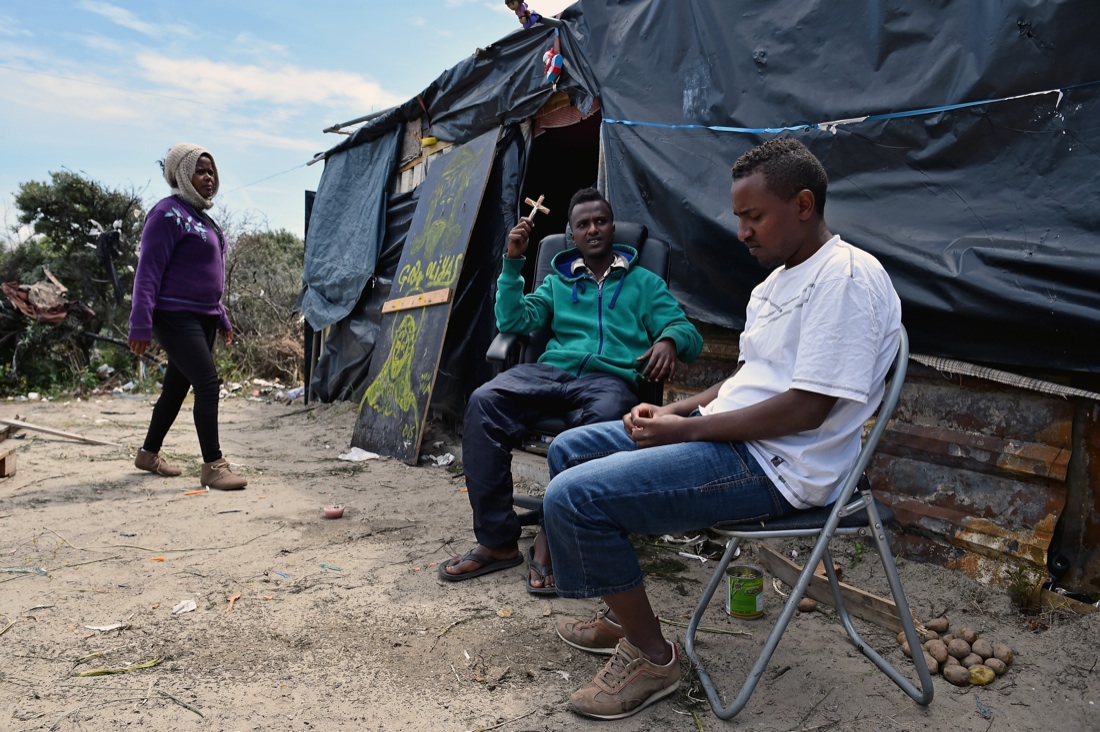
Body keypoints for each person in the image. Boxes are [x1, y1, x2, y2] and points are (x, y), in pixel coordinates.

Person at [541, 138, 903, 719]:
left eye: (753, 216)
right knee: (569, 449)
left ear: (804, 204)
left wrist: (685, 434)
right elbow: (748, 381)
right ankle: (622, 615)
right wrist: (675, 413)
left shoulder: (846, 277)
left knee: (573, 498)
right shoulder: (774, 283)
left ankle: (656, 659)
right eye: (739, 217)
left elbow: (805, 410)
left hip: (778, 466)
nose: (742, 232)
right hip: (731, 437)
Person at [439, 188, 702, 591]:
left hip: (609, 380)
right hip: (552, 374)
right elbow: (512, 321)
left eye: (600, 221)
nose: (593, 229)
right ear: (572, 234)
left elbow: (688, 333)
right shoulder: (558, 282)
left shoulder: (644, 283)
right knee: (484, 401)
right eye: (583, 224)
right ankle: (497, 543)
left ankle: (552, 537)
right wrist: (513, 261)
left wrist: (668, 339)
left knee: (596, 427)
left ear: (613, 228)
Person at [128, 143, 247, 491]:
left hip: (202, 317)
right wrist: (140, 324)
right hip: (174, 316)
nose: (208, 177)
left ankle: (148, 453)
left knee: (176, 389)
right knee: (208, 384)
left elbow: (202, 279)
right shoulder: (167, 213)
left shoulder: (201, 218)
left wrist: (221, 317)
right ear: (182, 174)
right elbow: (148, 272)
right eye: (200, 170)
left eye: (211, 171)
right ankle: (213, 465)